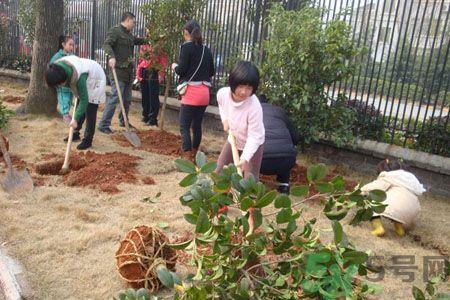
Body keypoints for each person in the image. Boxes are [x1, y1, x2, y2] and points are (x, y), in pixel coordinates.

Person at [171, 20, 215, 160]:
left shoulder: (186, 47)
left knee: (184, 126)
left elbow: (181, 70)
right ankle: (195, 154)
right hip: (204, 94)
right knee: (197, 126)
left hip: (191, 93)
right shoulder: (206, 50)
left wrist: (174, 67)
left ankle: (187, 156)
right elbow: (212, 71)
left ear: (186, 33)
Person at [215, 61, 265, 180]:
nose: (244, 92)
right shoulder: (222, 94)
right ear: (233, 83)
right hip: (234, 139)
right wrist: (225, 119)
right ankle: (219, 195)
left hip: (253, 144)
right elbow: (222, 106)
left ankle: (249, 198)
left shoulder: (254, 106)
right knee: (219, 170)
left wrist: (245, 158)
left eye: (248, 88)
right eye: (241, 86)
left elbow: (255, 136)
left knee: (249, 180)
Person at [97, 12, 146, 134]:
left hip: (128, 73)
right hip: (118, 72)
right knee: (114, 98)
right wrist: (111, 57)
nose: (134, 25)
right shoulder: (115, 31)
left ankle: (123, 120)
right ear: (128, 20)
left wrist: (152, 39)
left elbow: (138, 41)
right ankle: (103, 124)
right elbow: (106, 45)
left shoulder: (129, 35)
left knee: (127, 99)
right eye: (133, 22)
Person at [45, 56, 106, 150]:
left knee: (90, 109)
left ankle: (88, 140)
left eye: (59, 84)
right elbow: (63, 91)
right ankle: (75, 134)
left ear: (63, 78)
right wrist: (68, 114)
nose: (59, 86)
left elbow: (84, 100)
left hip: (94, 78)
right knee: (79, 108)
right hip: (83, 72)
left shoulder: (80, 78)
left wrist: (75, 118)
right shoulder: (56, 69)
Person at [361, 159, 426, 237]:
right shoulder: (409, 179)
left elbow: (373, 188)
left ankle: (379, 228)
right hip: (413, 211)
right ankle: (399, 229)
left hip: (396, 206)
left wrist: (359, 192)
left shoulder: (389, 177)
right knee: (398, 206)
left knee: (371, 202)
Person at [258, 95, 299, 194]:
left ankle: (251, 181)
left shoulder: (251, 112)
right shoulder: (279, 111)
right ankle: (284, 185)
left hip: (262, 162)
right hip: (288, 161)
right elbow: (295, 137)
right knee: (284, 150)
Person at [136, 34, 167, 126]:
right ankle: (145, 115)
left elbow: (163, 60)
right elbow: (141, 58)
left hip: (154, 69)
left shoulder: (160, 45)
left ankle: (153, 118)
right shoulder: (144, 43)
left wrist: (161, 73)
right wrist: (139, 71)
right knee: (145, 94)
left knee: (153, 96)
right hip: (144, 69)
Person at [50, 35, 75, 125]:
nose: (72, 47)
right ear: (63, 44)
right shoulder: (58, 56)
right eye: (70, 45)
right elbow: (51, 66)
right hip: (61, 83)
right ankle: (65, 114)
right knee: (64, 98)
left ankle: (68, 113)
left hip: (70, 83)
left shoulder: (72, 56)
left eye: (73, 45)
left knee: (70, 97)